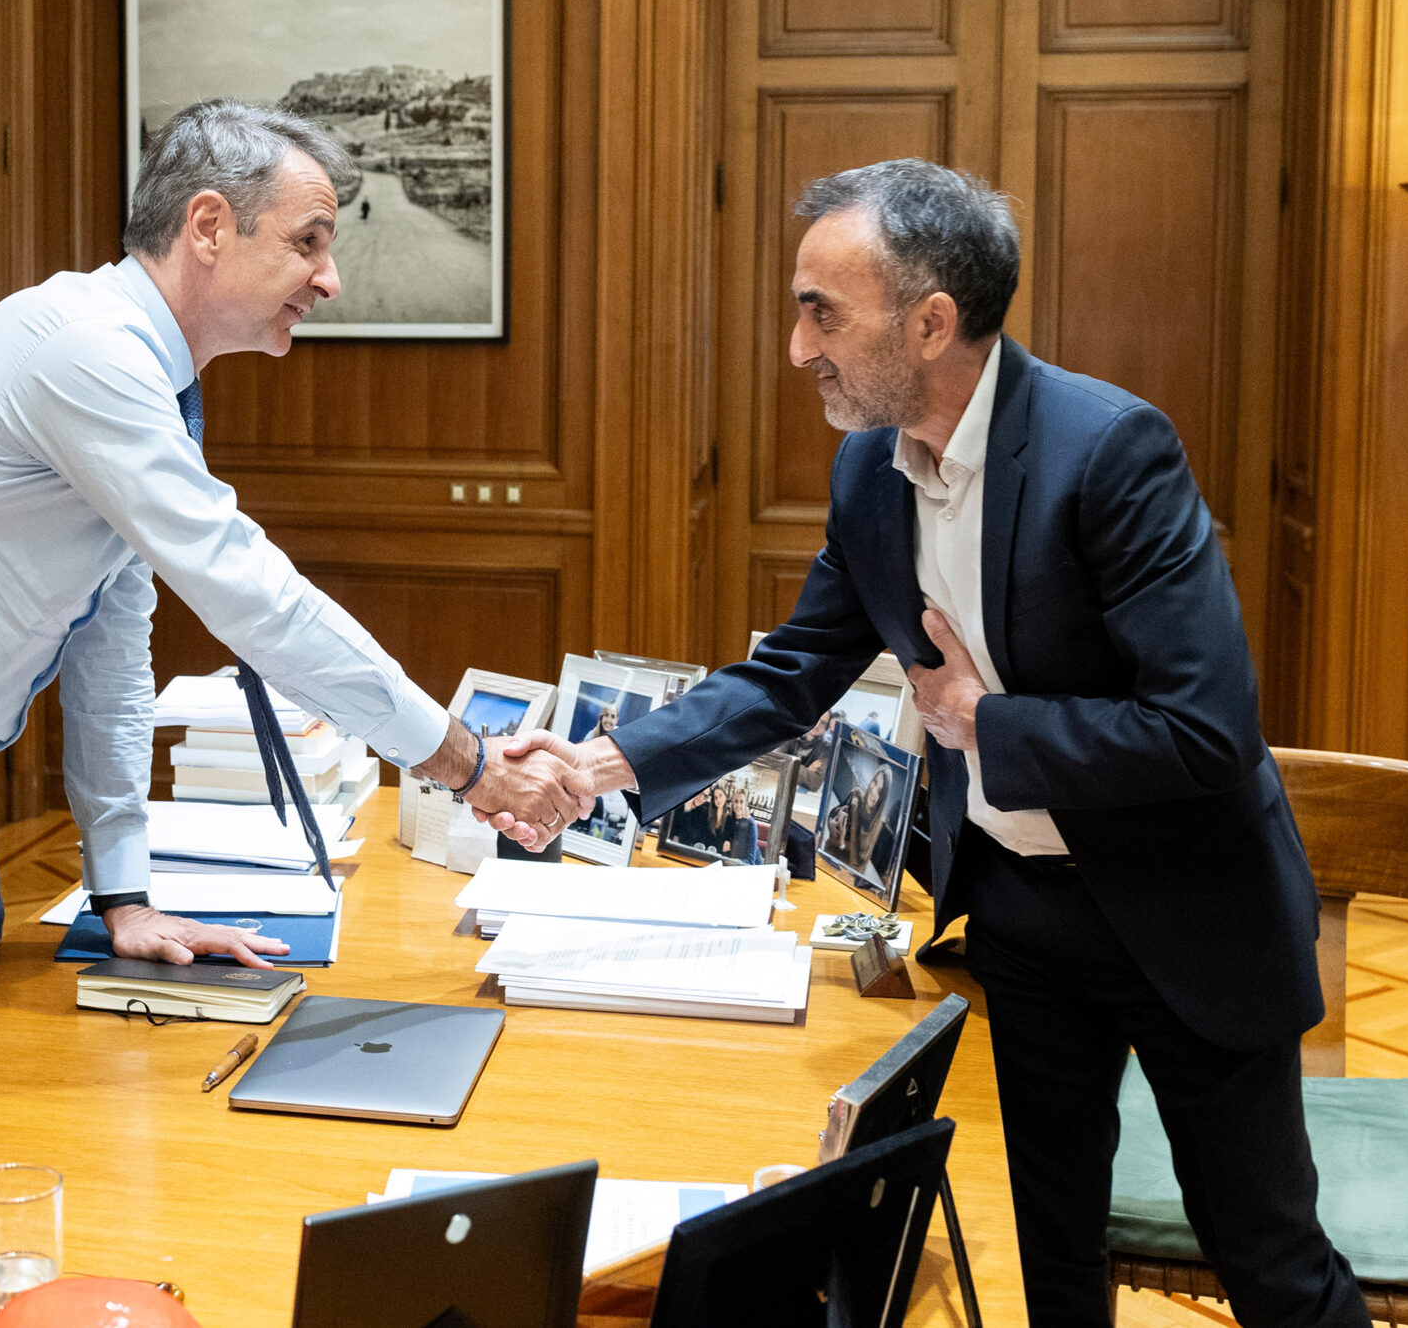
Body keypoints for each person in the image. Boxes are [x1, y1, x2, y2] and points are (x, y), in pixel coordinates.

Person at [503, 158, 1360, 1328]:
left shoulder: (1110, 450)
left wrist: (981, 724)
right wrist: (601, 767)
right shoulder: (869, 467)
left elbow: (1203, 730)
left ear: (930, 322)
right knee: (1056, 1255)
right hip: (1024, 913)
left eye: (822, 314)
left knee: (1267, 1260)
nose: (796, 348)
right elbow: (794, 671)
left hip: (1186, 911)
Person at [0, 99, 595, 1125]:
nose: (329, 279)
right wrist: (464, 763)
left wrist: (122, 890)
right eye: (307, 242)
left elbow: (112, 645)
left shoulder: (150, 379)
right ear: (208, 226)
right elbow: (250, 593)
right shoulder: (87, 349)